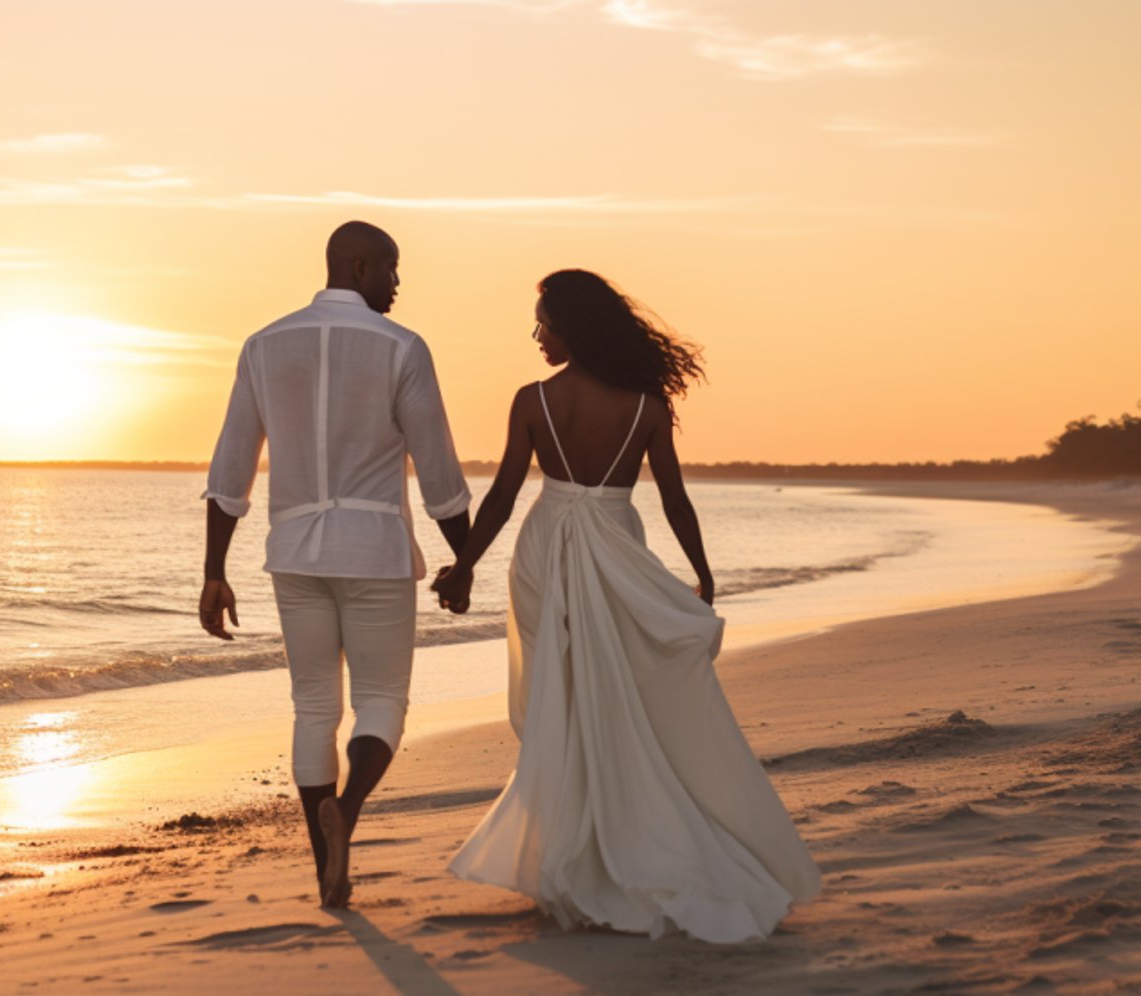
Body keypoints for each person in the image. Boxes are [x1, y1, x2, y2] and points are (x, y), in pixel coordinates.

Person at [430, 269, 822, 942]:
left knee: (567, 693)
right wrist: (701, 571)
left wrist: (464, 564)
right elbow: (673, 497)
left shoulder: (534, 400)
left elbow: (499, 497)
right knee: (617, 695)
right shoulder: (646, 404)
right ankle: (609, 840)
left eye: (544, 323)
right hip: (618, 543)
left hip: (547, 546)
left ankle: (577, 849)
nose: (537, 335)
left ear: (572, 328)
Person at [200, 221, 472, 909]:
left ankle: (329, 871)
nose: (398, 283)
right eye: (391, 268)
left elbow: (231, 468)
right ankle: (346, 815)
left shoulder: (264, 345)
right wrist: (463, 559)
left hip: (294, 551)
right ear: (357, 266)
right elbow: (438, 468)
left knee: (313, 707)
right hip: (375, 550)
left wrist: (214, 570)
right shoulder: (402, 348)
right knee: (381, 701)